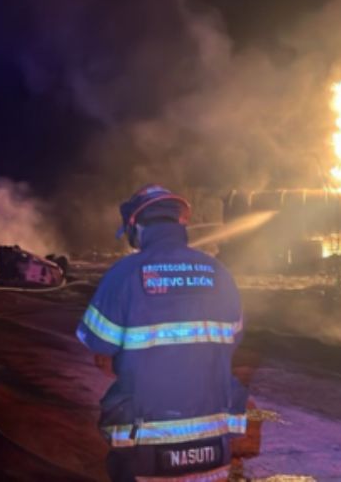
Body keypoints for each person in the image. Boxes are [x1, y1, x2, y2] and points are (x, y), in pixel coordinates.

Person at [76, 185, 248, 482]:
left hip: (145, 445)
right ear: (181, 223)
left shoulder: (125, 274)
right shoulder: (219, 273)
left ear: (135, 227)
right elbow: (232, 339)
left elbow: (96, 343)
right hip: (212, 447)